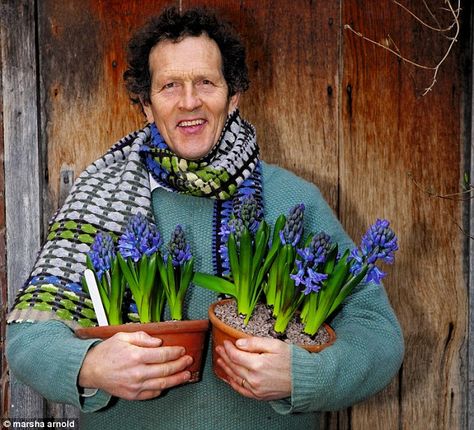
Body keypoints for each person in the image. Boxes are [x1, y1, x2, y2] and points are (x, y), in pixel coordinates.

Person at [6, 7, 404, 430]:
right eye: (169, 86)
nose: (189, 101)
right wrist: (89, 366)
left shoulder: (293, 201)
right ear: (146, 104)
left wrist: (303, 376)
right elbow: (28, 339)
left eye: (206, 83)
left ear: (233, 97)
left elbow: (376, 332)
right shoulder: (99, 199)